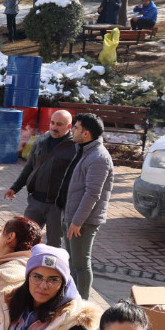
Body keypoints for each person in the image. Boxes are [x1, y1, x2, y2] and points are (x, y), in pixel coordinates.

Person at [57, 113, 113, 297]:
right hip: (72, 215)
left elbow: (92, 194)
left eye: (76, 127)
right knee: (73, 262)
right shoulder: (84, 150)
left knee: (81, 264)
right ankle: (73, 298)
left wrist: (77, 221)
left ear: (87, 134)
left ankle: (82, 304)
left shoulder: (98, 158)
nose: (72, 130)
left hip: (83, 221)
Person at [5, 110, 76, 247]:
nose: (54, 127)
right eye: (52, 123)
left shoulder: (74, 147)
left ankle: (48, 268)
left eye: (59, 124)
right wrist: (15, 187)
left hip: (57, 206)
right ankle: (25, 267)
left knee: (53, 244)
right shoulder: (41, 140)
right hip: (35, 202)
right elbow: (29, 167)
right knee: (25, 239)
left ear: (69, 127)